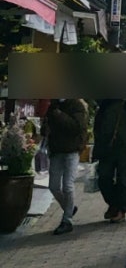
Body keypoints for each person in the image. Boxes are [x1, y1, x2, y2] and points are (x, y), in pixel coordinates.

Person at [43, 98, 89, 236]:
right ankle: (69, 208)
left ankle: (67, 220)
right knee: (53, 186)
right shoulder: (53, 105)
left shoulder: (76, 105)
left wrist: (58, 114)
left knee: (68, 186)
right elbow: (47, 127)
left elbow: (76, 127)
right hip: (56, 151)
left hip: (72, 150)